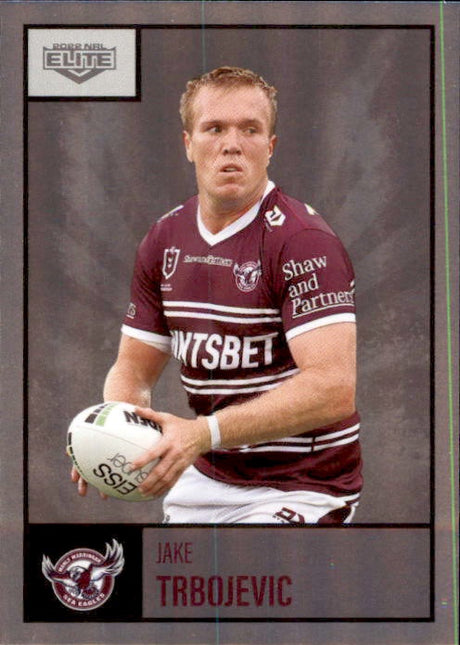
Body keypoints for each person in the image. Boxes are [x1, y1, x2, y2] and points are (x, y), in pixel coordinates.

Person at [71, 66, 362, 524]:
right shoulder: (164, 239)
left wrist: (201, 434)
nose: (232, 144)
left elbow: (332, 389)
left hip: (302, 485)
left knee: (248, 571)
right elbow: (133, 369)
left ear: (270, 146)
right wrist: (110, 436)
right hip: (206, 476)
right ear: (189, 144)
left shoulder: (303, 241)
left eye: (250, 129)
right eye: (214, 128)